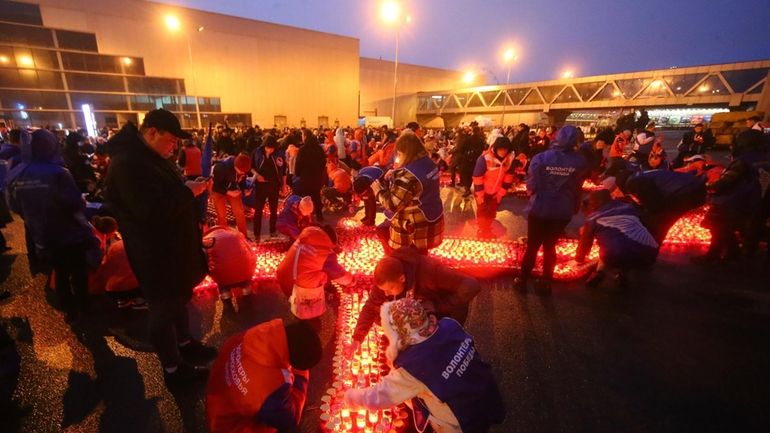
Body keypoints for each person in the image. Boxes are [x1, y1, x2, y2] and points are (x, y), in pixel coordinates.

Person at [105, 109, 215, 384]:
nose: (175, 147)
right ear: (152, 132)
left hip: (173, 249)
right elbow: (150, 213)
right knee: (163, 309)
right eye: (171, 140)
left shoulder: (151, 156)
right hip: (155, 254)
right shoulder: (128, 164)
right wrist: (188, 192)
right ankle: (173, 369)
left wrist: (188, 186)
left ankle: (185, 344)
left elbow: (166, 193)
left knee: (178, 300)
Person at [344, 298, 505, 433]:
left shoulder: (414, 367)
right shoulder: (449, 324)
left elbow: (380, 396)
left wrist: (351, 398)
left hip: (462, 418)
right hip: (486, 393)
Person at [6, 129, 99, 322]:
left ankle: (69, 311)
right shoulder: (58, 172)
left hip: (41, 234)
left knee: (61, 272)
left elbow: (13, 205)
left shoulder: (18, 172)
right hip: (69, 233)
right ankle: (85, 307)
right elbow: (74, 203)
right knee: (78, 272)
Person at [206, 319, 322, 433]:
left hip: (219, 403)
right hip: (231, 426)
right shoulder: (269, 386)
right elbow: (289, 419)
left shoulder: (255, 335)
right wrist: (302, 376)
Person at [351, 246, 480, 348]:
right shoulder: (387, 276)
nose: (386, 294)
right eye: (383, 290)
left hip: (444, 312)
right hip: (420, 307)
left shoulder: (430, 271)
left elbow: (472, 286)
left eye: (389, 290)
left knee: (436, 349)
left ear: (402, 278)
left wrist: (438, 305)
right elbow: (370, 306)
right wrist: (357, 338)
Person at [516, 125, 588, 295]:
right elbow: (579, 185)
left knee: (533, 246)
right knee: (550, 246)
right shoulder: (579, 162)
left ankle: (522, 281)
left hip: (540, 208)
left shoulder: (541, 158)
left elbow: (532, 184)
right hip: (562, 211)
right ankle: (545, 282)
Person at [694, 129, 767, 262]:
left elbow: (726, 182)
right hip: (757, 202)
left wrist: (706, 187)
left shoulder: (743, 161)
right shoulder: (764, 158)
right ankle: (732, 252)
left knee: (716, 226)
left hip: (736, 202)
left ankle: (717, 254)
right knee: (726, 228)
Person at [371, 134, 445, 255]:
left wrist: (377, 190)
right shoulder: (428, 163)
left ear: (406, 153)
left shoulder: (408, 176)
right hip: (432, 217)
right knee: (421, 254)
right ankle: (420, 266)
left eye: (399, 154)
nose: (399, 157)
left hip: (414, 224)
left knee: (383, 231)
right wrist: (396, 172)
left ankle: (398, 263)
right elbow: (419, 181)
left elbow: (393, 204)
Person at [575, 190, 659, 288]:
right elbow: (647, 224)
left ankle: (599, 272)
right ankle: (622, 275)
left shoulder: (593, 218)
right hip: (650, 252)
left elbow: (585, 244)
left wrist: (579, 258)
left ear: (594, 204)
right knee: (626, 243)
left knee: (612, 249)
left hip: (616, 254)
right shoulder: (629, 207)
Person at [612, 164, 707, 244]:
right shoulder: (641, 175)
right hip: (694, 187)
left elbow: (654, 204)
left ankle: (649, 247)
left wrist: (643, 217)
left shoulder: (633, 182)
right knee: (659, 220)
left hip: (687, 193)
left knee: (659, 223)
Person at [472, 136, 515, 238]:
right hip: (482, 191)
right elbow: (477, 177)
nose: (503, 152)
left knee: (491, 212)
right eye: (501, 149)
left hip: (496, 192)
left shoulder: (509, 159)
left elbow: (508, 177)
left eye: (506, 149)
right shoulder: (485, 158)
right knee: (482, 211)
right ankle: (482, 230)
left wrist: (501, 193)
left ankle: (487, 228)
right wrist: (480, 195)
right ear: (496, 148)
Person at [251, 135, 286, 242]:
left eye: (272, 148)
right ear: (264, 146)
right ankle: (257, 233)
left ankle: (272, 230)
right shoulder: (257, 152)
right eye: (268, 148)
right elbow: (251, 167)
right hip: (260, 185)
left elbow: (283, 171)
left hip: (273, 185)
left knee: (274, 209)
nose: (270, 150)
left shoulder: (279, 154)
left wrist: (283, 185)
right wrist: (257, 175)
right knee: (258, 210)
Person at [211, 153, 251, 238]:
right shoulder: (221, 167)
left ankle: (244, 237)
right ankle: (223, 238)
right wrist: (227, 192)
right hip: (218, 190)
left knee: (239, 212)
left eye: (244, 172)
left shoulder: (242, 168)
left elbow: (242, 182)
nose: (243, 173)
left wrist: (244, 190)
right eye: (241, 171)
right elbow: (215, 186)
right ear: (235, 166)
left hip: (232, 189)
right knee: (222, 214)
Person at [294, 129, 327, 221]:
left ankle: (307, 217)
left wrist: (298, 173)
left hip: (305, 177)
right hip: (317, 177)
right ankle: (319, 216)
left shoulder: (303, 149)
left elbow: (298, 163)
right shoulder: (319, 149)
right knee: (316, 196)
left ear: (305, 137)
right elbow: (323, 162)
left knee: (306, 198)